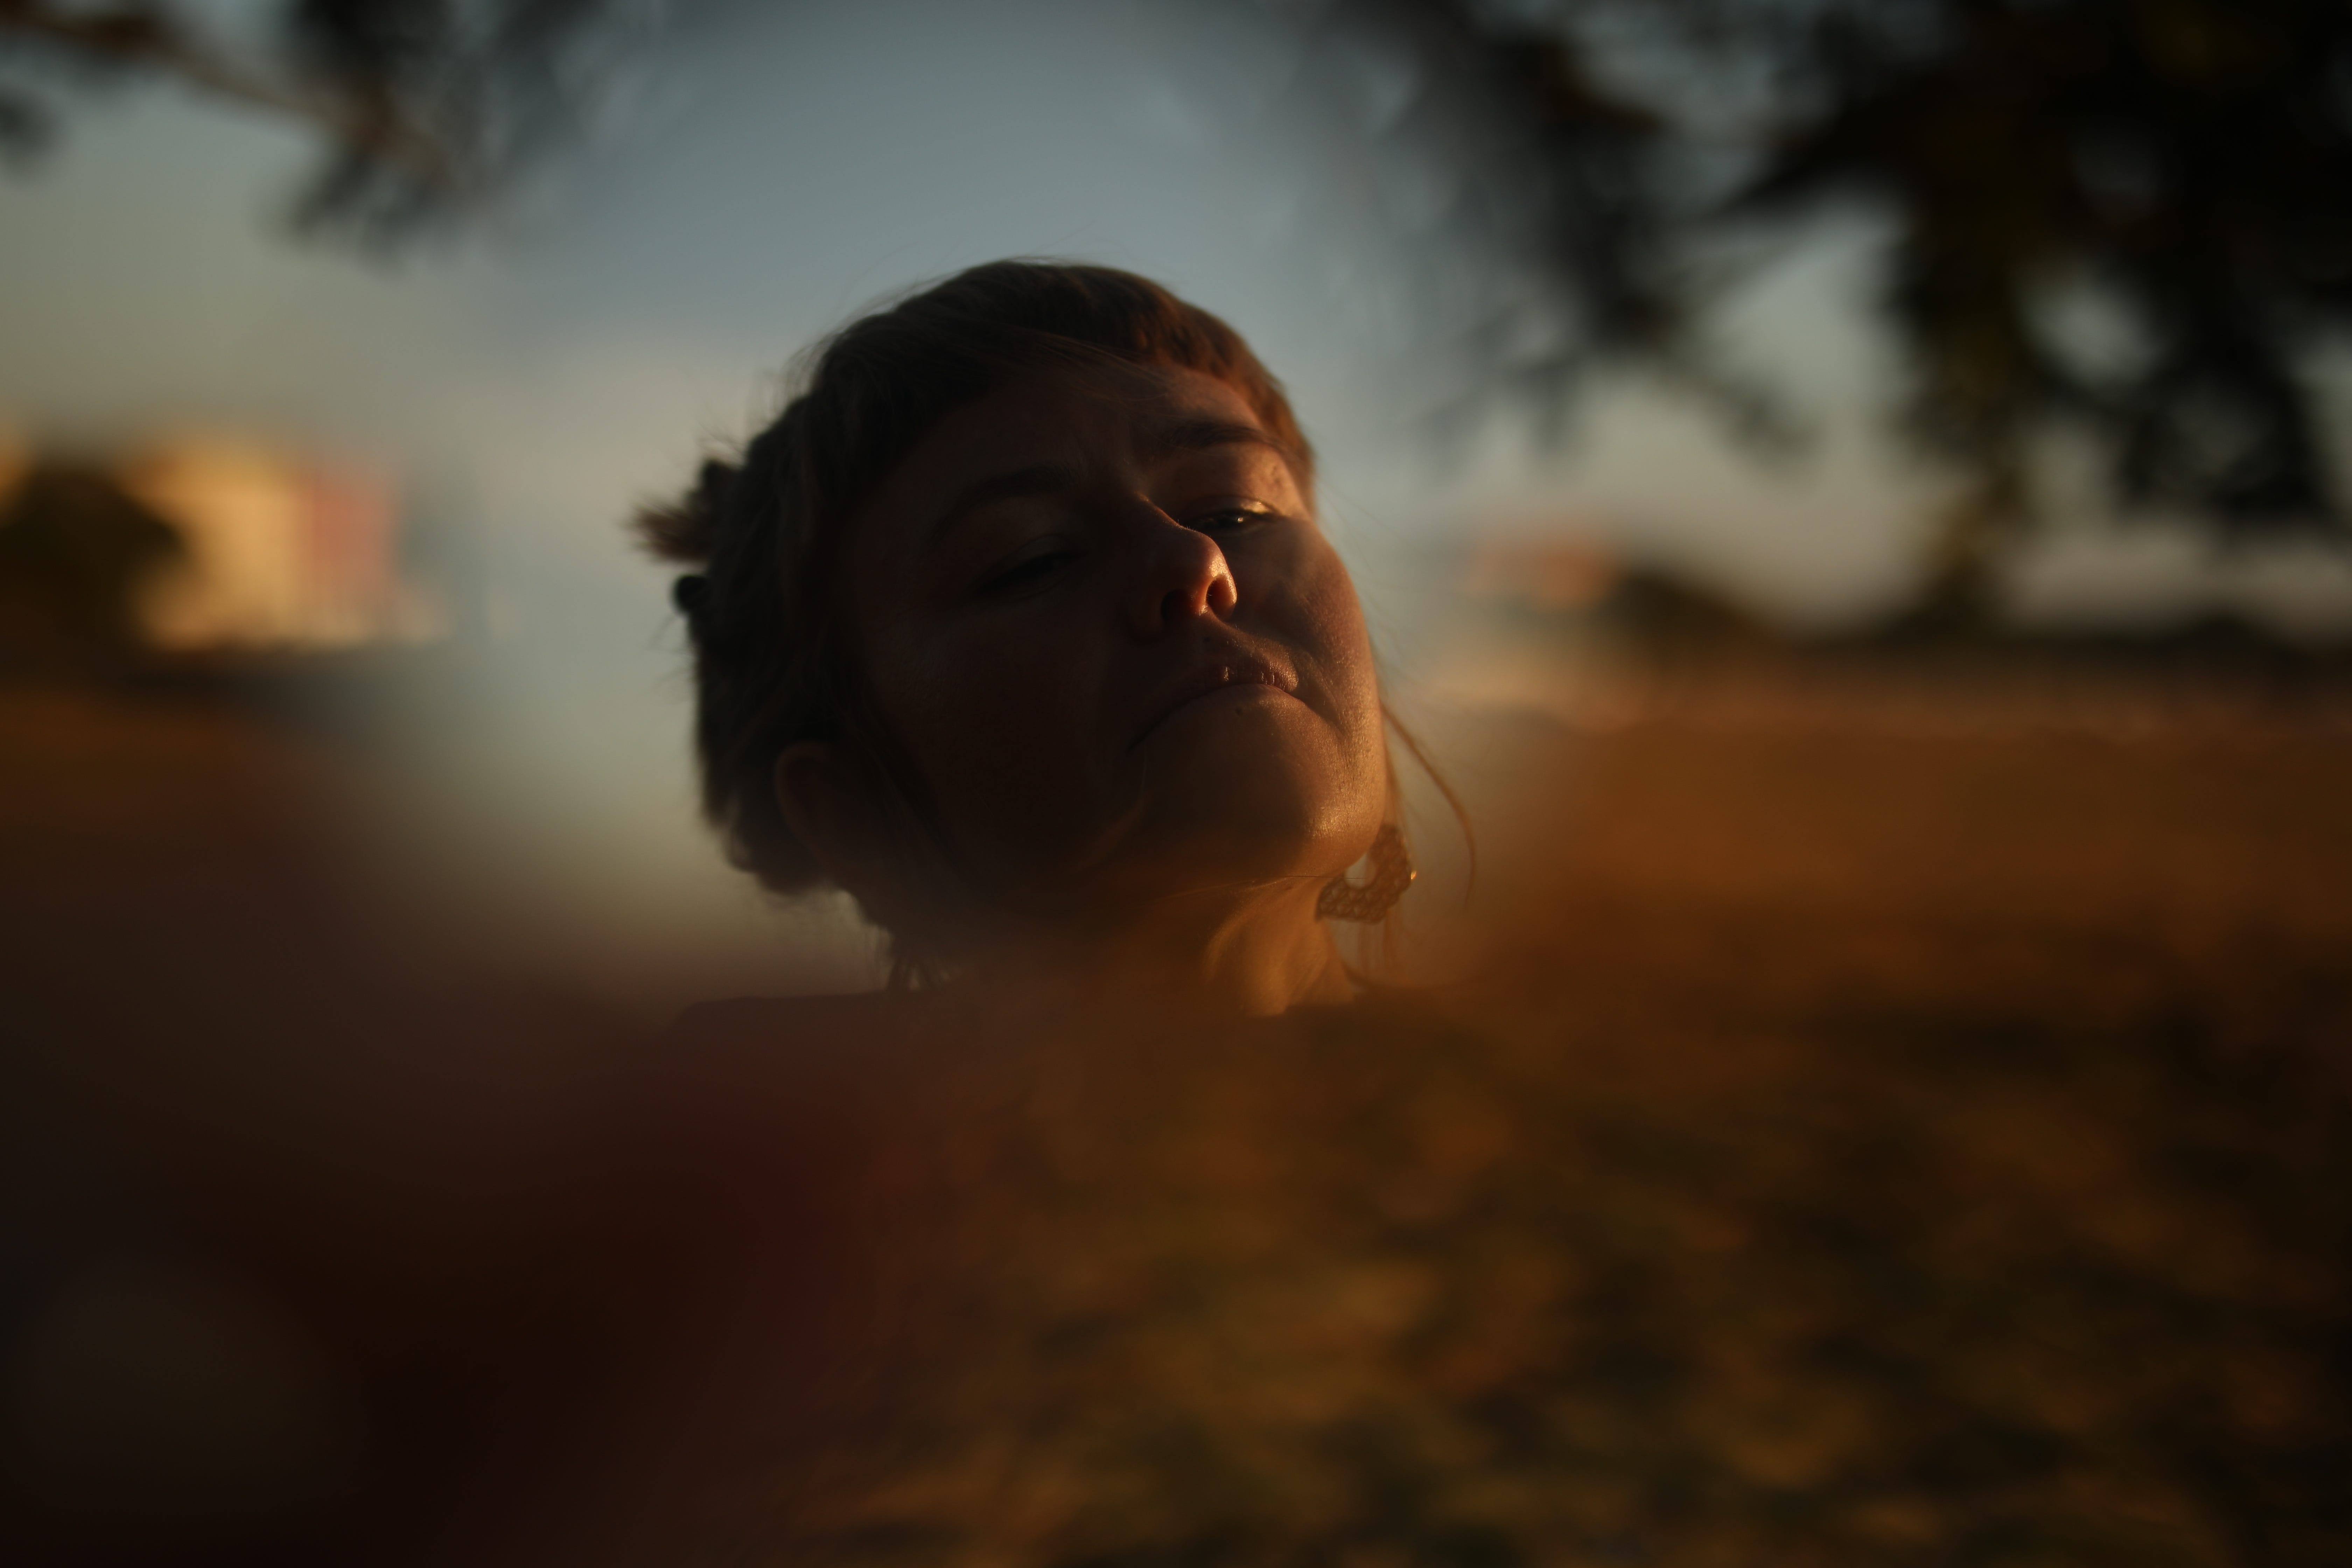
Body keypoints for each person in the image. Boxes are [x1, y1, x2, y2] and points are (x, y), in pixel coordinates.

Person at [637, 260, 1430, 1020]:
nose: (1192, 559)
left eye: (1236, 513)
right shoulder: (722, 1114)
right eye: (1034, 561)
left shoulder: (1508, 1092)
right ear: (853, 818)